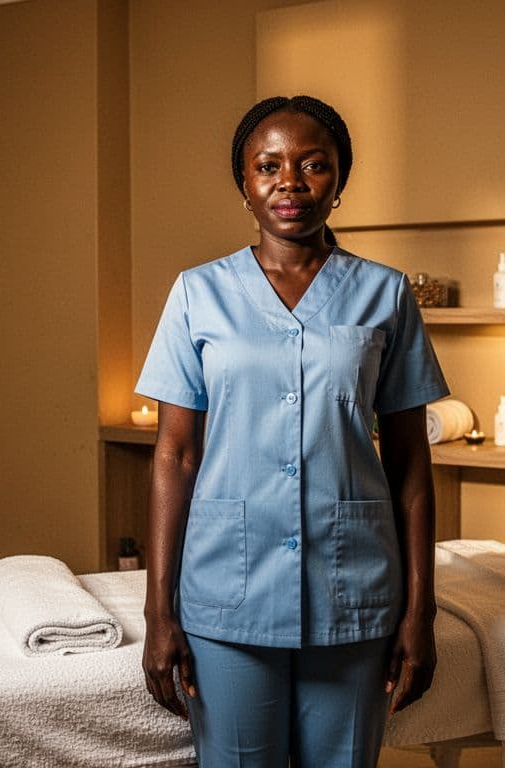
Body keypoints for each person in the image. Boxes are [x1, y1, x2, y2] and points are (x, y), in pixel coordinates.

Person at [135, 95, 448, 767]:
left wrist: (421, 612)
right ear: (244, 185)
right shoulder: (198, 293)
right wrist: (157, 611)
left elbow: (411, 467)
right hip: (226, 588)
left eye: (313, 165)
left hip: (355, 588)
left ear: (338, 182)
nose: (290, 183)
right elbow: (175, 454)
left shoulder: (385, 295)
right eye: (268, 166)